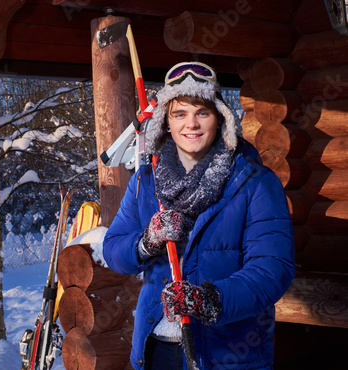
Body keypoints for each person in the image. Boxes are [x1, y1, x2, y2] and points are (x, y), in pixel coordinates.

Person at [103, 62, 295, 369]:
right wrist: (146, 243)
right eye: (180, 113)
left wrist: (209, 300)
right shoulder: (146, 181)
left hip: (227, 354)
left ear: (220, 119)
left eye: (202, 113)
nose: (190, 124)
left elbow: (272, 271)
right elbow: (113, 249)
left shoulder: (255, 182)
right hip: (157, 348)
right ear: (166, 122)